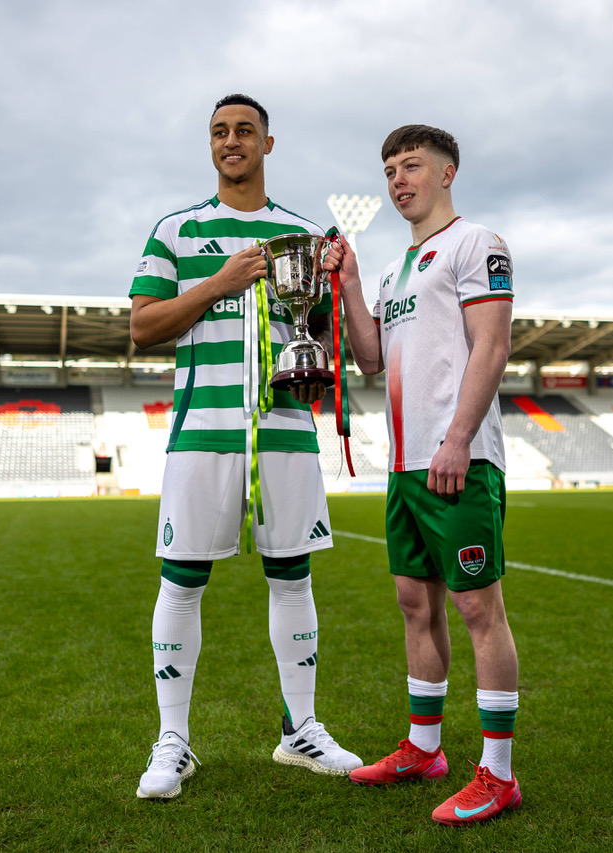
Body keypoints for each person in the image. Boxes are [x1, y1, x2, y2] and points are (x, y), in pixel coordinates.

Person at [128, 93, 361, 800]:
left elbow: (318, 330)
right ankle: (173, 740)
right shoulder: (175, 230)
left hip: (285, 428)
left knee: (293, 576)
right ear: (211, 146)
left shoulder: (302, 231)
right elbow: (143, 325)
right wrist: (222, 282)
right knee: (182, 579)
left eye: (245, 131)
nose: (232, 141)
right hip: (202, 432)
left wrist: (334, 284)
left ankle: (301, 729)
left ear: (267, 143)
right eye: (220, 132)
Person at [326, 125, 520, 825]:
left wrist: (459, 440)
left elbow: (492, 346)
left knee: (478, 607)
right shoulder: (393, 270)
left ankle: (498, 774)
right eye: (389, 170)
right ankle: (424, 747)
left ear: (448, 172)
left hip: (458, 460)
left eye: (411, 165)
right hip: (405, 466)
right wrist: (349, 281)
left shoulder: (478, 244)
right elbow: (370, 358)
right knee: (416, 604)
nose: (397, 179)